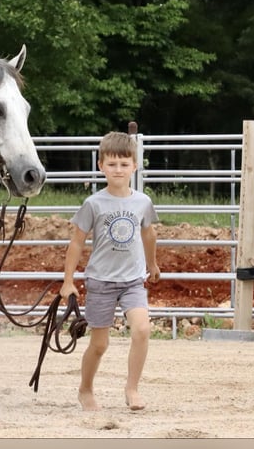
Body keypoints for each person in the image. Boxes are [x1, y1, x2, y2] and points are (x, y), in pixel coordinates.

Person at [59, 131, 161, 412]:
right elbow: (77, 242)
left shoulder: (142, 202)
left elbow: (149, 234)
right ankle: (86, 389)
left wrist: (152, 264)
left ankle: (132, 388)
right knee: (100, 344)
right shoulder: (93, 204)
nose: (118, 170)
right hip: (101, 281)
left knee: (142, 329)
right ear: (101, 165)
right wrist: (68, 280)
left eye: (124, 164)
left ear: (135, 167)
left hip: (132, 281)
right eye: (112, 164)